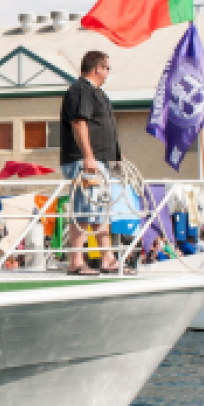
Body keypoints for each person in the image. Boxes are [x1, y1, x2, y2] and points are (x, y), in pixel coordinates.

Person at [60, 49, 121, 276]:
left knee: (100, 210)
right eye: (107, 68)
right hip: (84, 162)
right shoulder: (81, 91)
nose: (108, 72)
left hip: (100, 162)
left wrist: (115, 157)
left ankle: (108, 257)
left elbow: (104, 129)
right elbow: (79, 123)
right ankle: (76, 261)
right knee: (84, 210)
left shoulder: (98, 94)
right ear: (98, 68)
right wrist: (88, 156)